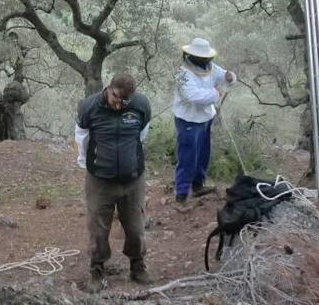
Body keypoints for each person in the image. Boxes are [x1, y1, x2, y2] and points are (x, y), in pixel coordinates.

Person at [74, 73, 153, 292]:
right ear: (109, 88)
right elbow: (81, 137)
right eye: (117, 98)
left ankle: (137, 266)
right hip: (100, 179)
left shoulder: (141, 105)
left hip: (133, 179)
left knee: (136, 227)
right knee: (98, 228)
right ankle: (97, 270)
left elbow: (142, 134)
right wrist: (87, 163)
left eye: (125, 101)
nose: (120, 105)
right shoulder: (88, 107)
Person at [171, 37, 236, 203]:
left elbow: (224, 76)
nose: (207, 60)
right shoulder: (182, 74)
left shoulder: (210, 67)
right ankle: (182, 193)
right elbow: (194, 97)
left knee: (202, 154)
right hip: (188, 120)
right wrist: (216, 93)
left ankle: (198, 185)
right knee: (187, 156)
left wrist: (230, 77)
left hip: (206, 118)